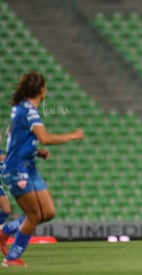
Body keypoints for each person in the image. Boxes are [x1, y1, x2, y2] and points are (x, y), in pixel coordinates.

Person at [1, 71, 83, 267]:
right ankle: (11, 259)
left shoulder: (20, 109)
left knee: (48, 212)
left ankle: (5, 231)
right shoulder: (28, 111)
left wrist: (37, 152)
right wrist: (73, 135)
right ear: (42, 90)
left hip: (29, 166)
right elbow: (45, 137)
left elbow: (15, 139)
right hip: (17, 169)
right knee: (35, 216)